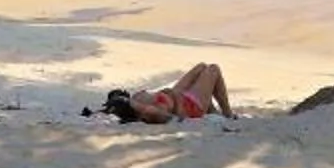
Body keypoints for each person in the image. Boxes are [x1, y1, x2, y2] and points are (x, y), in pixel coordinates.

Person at [90, 62, 232, 125]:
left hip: (177, 94)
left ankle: (212, 110)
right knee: (213, 69)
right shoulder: (146, 112)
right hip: (190, 105)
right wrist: (132, 104)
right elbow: (169, 118)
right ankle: (228, 114)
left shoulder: (138, 99)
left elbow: (101, 112)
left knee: (201, 67)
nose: (121, 94)